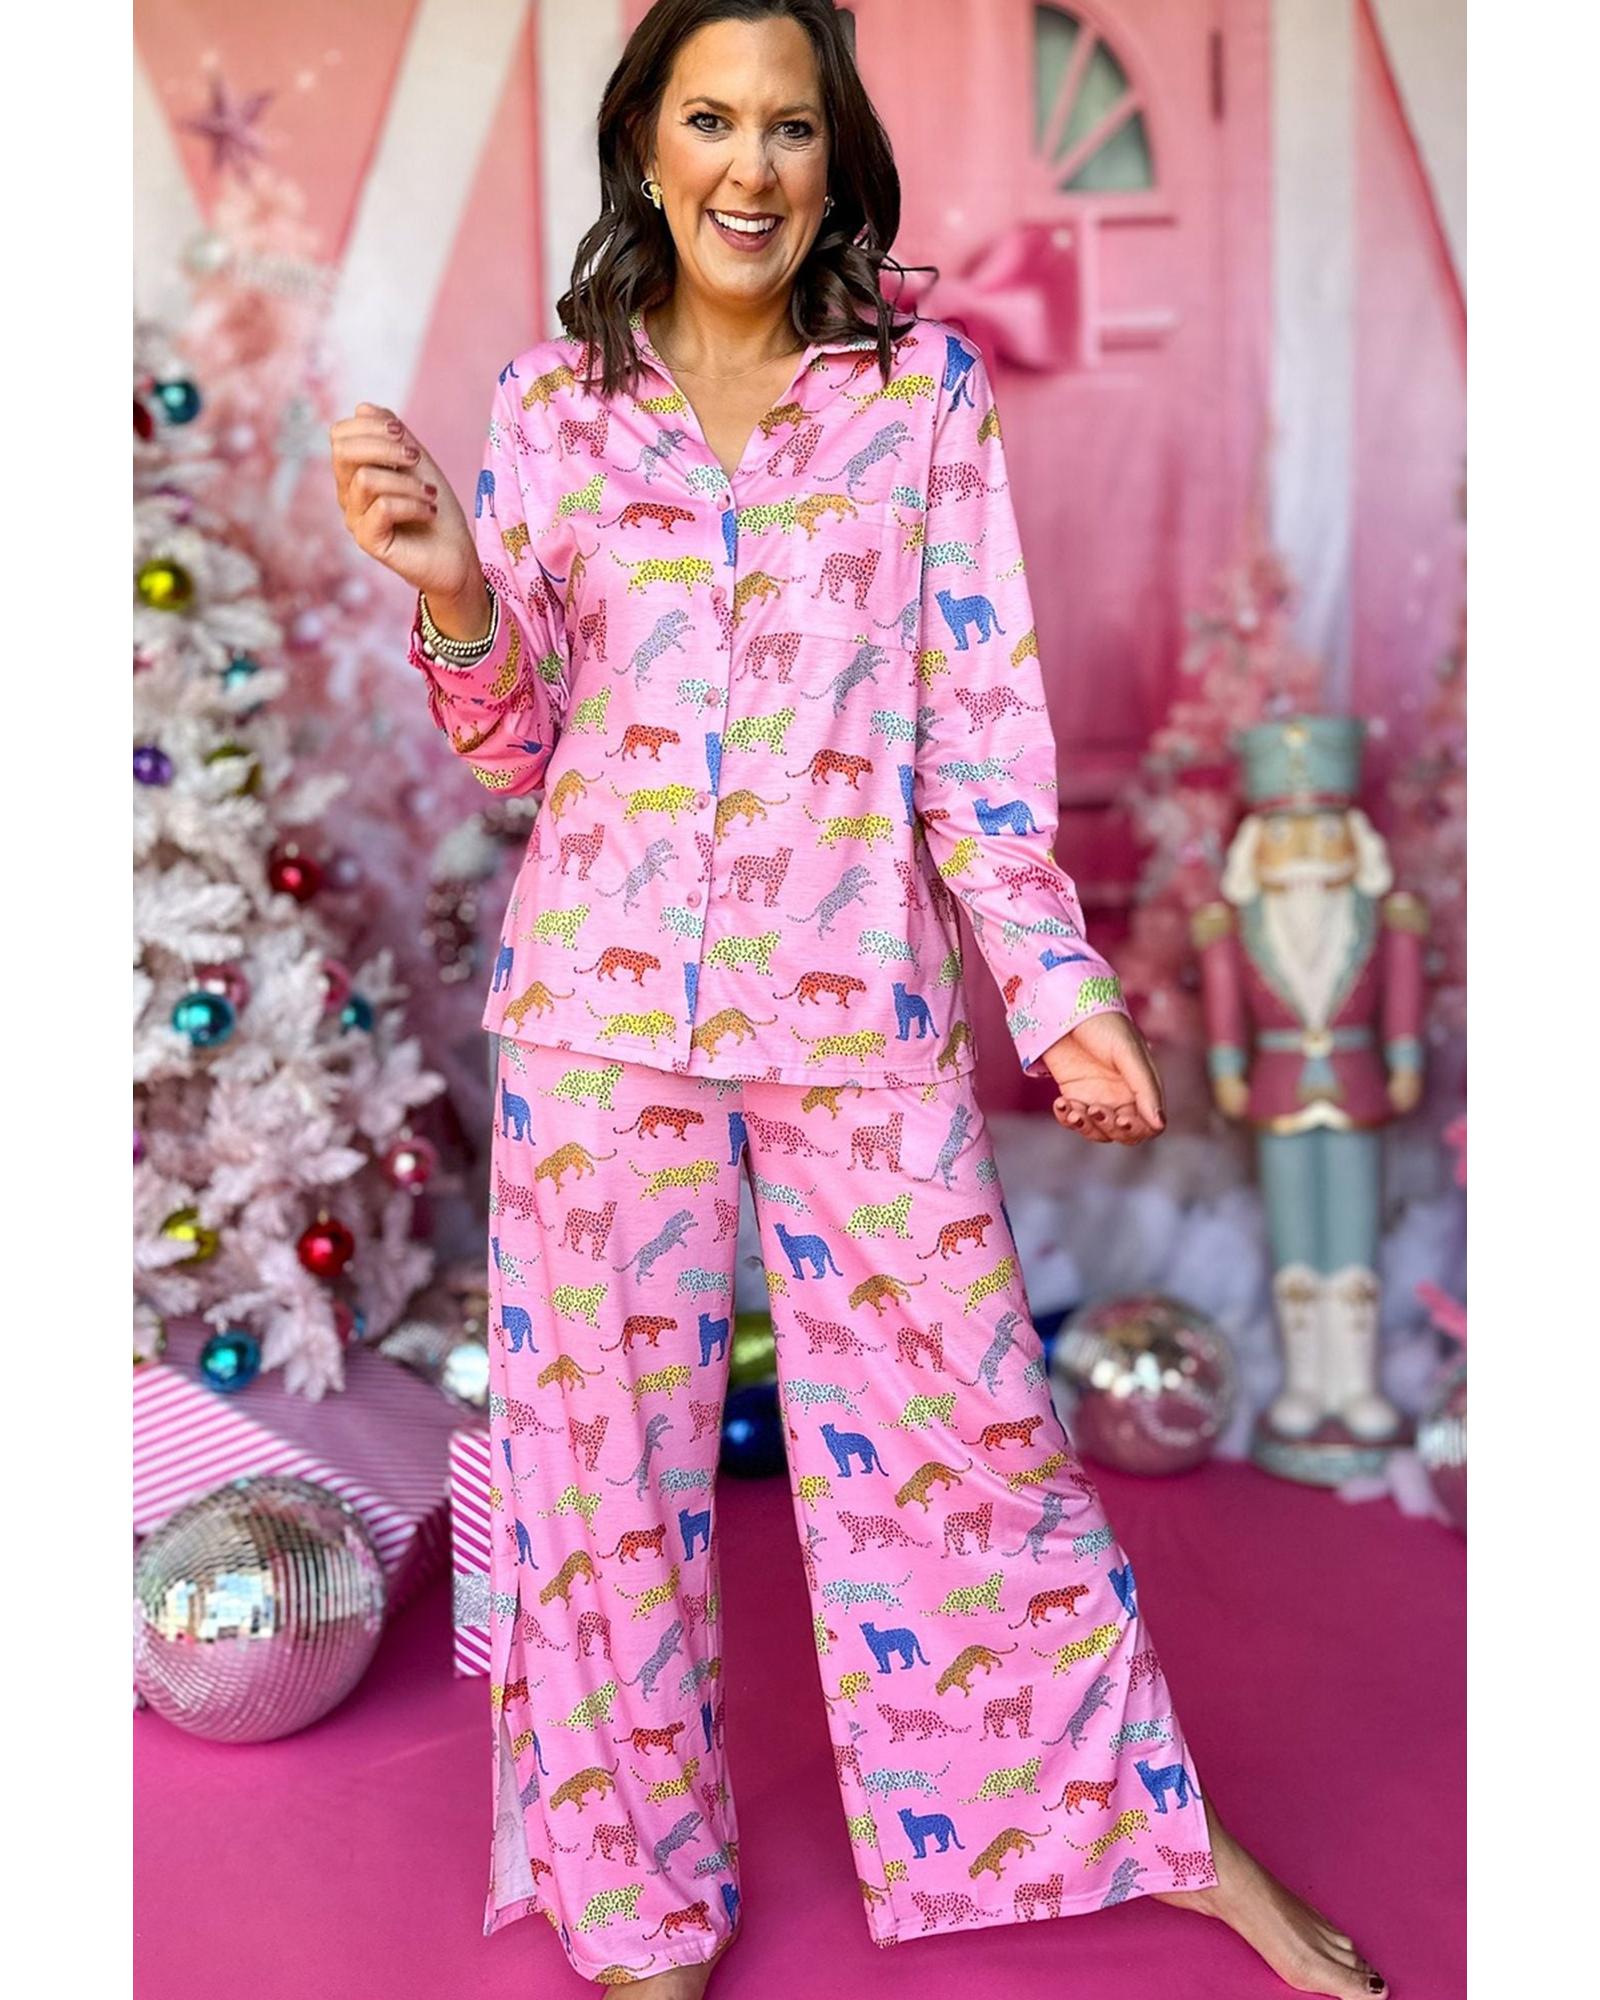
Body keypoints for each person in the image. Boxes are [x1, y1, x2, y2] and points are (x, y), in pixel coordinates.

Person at [330, 5, 1388, 1996]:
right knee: (596, 1480)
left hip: (849, 1003)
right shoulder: (554, 406)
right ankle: (635, 1901)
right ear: (647, 145)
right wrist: (458, 589)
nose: (750, 165)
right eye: (710, 119)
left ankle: (1144, 1827)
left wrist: (1054, 993)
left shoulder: (918, 396)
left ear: (833, 160)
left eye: (790, 127)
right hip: (596, 1021)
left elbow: (974, 731)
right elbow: (514, 751)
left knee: (969, 1429)